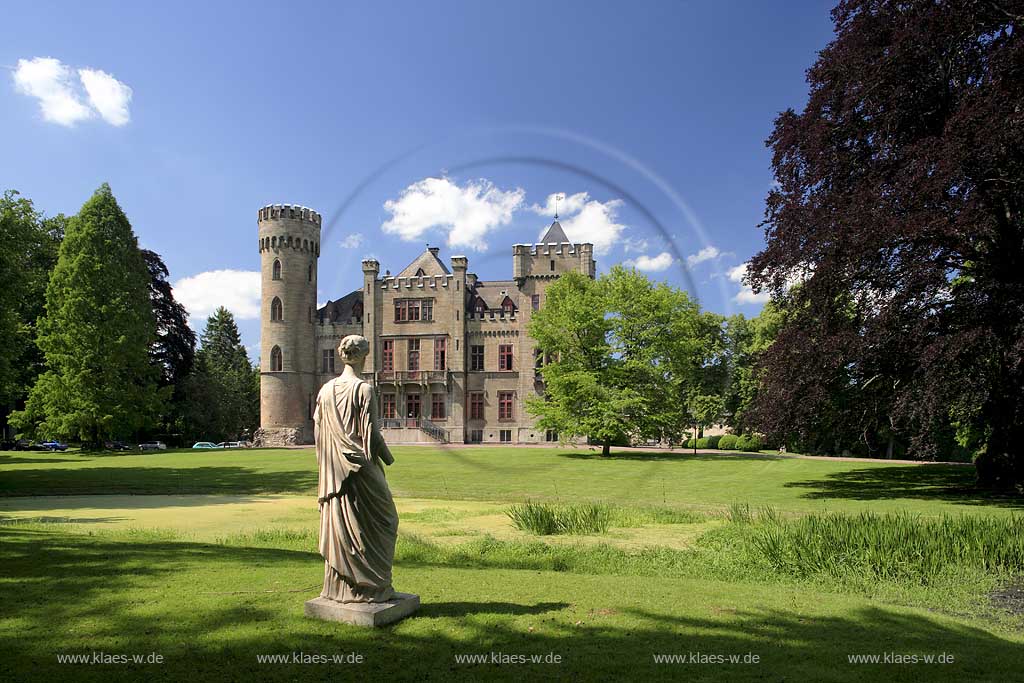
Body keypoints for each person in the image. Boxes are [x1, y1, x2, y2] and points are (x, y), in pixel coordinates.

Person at [313, 334, 398, 603]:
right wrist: (389, 459)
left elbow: (318, 431)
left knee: (344, 523)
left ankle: (341, 588)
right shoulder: (364, 389)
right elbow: (371, 437)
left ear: (342, 355)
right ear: (365, 355)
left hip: (334, 470)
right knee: (386, 520)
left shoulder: (325, 391)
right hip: (360, 466)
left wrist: (330, 465)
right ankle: (372, 587)